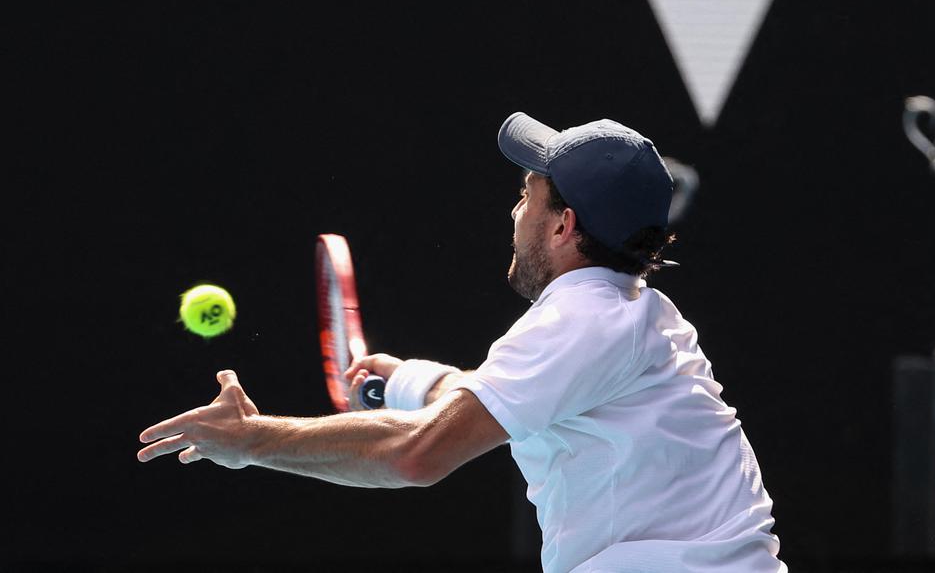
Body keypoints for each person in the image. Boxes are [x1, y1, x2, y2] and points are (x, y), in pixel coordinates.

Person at [138, 111, 786, 572]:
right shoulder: (634, 314)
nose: (513, 214)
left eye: (524, 196)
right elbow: (492, 401)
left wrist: (253, 440)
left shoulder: (578, 324)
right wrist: (400, 379)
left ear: (562, 225)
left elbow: (414, 454)